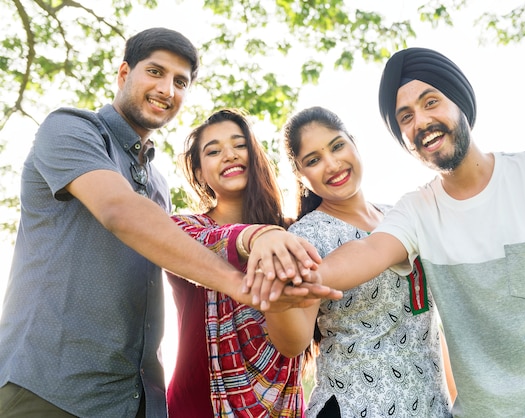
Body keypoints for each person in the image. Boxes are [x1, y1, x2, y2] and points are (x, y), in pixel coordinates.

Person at [245, 48, 525, 418]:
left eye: (431, 102)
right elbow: (367, 252)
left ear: (460, 101)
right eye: (405, 117)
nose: (421, 122)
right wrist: (293, 275)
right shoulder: (416, 210)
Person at [0, 28, 332, 418]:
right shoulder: (71, 129)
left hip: (136, 400)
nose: (167, 89)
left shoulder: (157, 184)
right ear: (124, 74)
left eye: (180, 81)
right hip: (53, 389)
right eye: (155, 72)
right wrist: (244, 282)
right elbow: (119, 211)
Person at [280, 106, 454, 417]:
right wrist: (277, 296)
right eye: (313, 160)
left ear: (354, 143)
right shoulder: (305, 237)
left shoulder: (399, 216)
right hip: (354, 406)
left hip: (429, 405)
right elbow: (294, 343)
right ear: (300, 176)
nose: (332, 164)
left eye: (337, 146)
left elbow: (428, 327)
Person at [165, 108, 337, 417]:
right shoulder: (182, 229)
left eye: (239, 144)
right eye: (213, 151)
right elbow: (200, 241)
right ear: (200, 173)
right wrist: (259, 237)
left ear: (255, 155)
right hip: (195, 406)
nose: (229, 155)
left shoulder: (294, 235)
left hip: (282, 408)